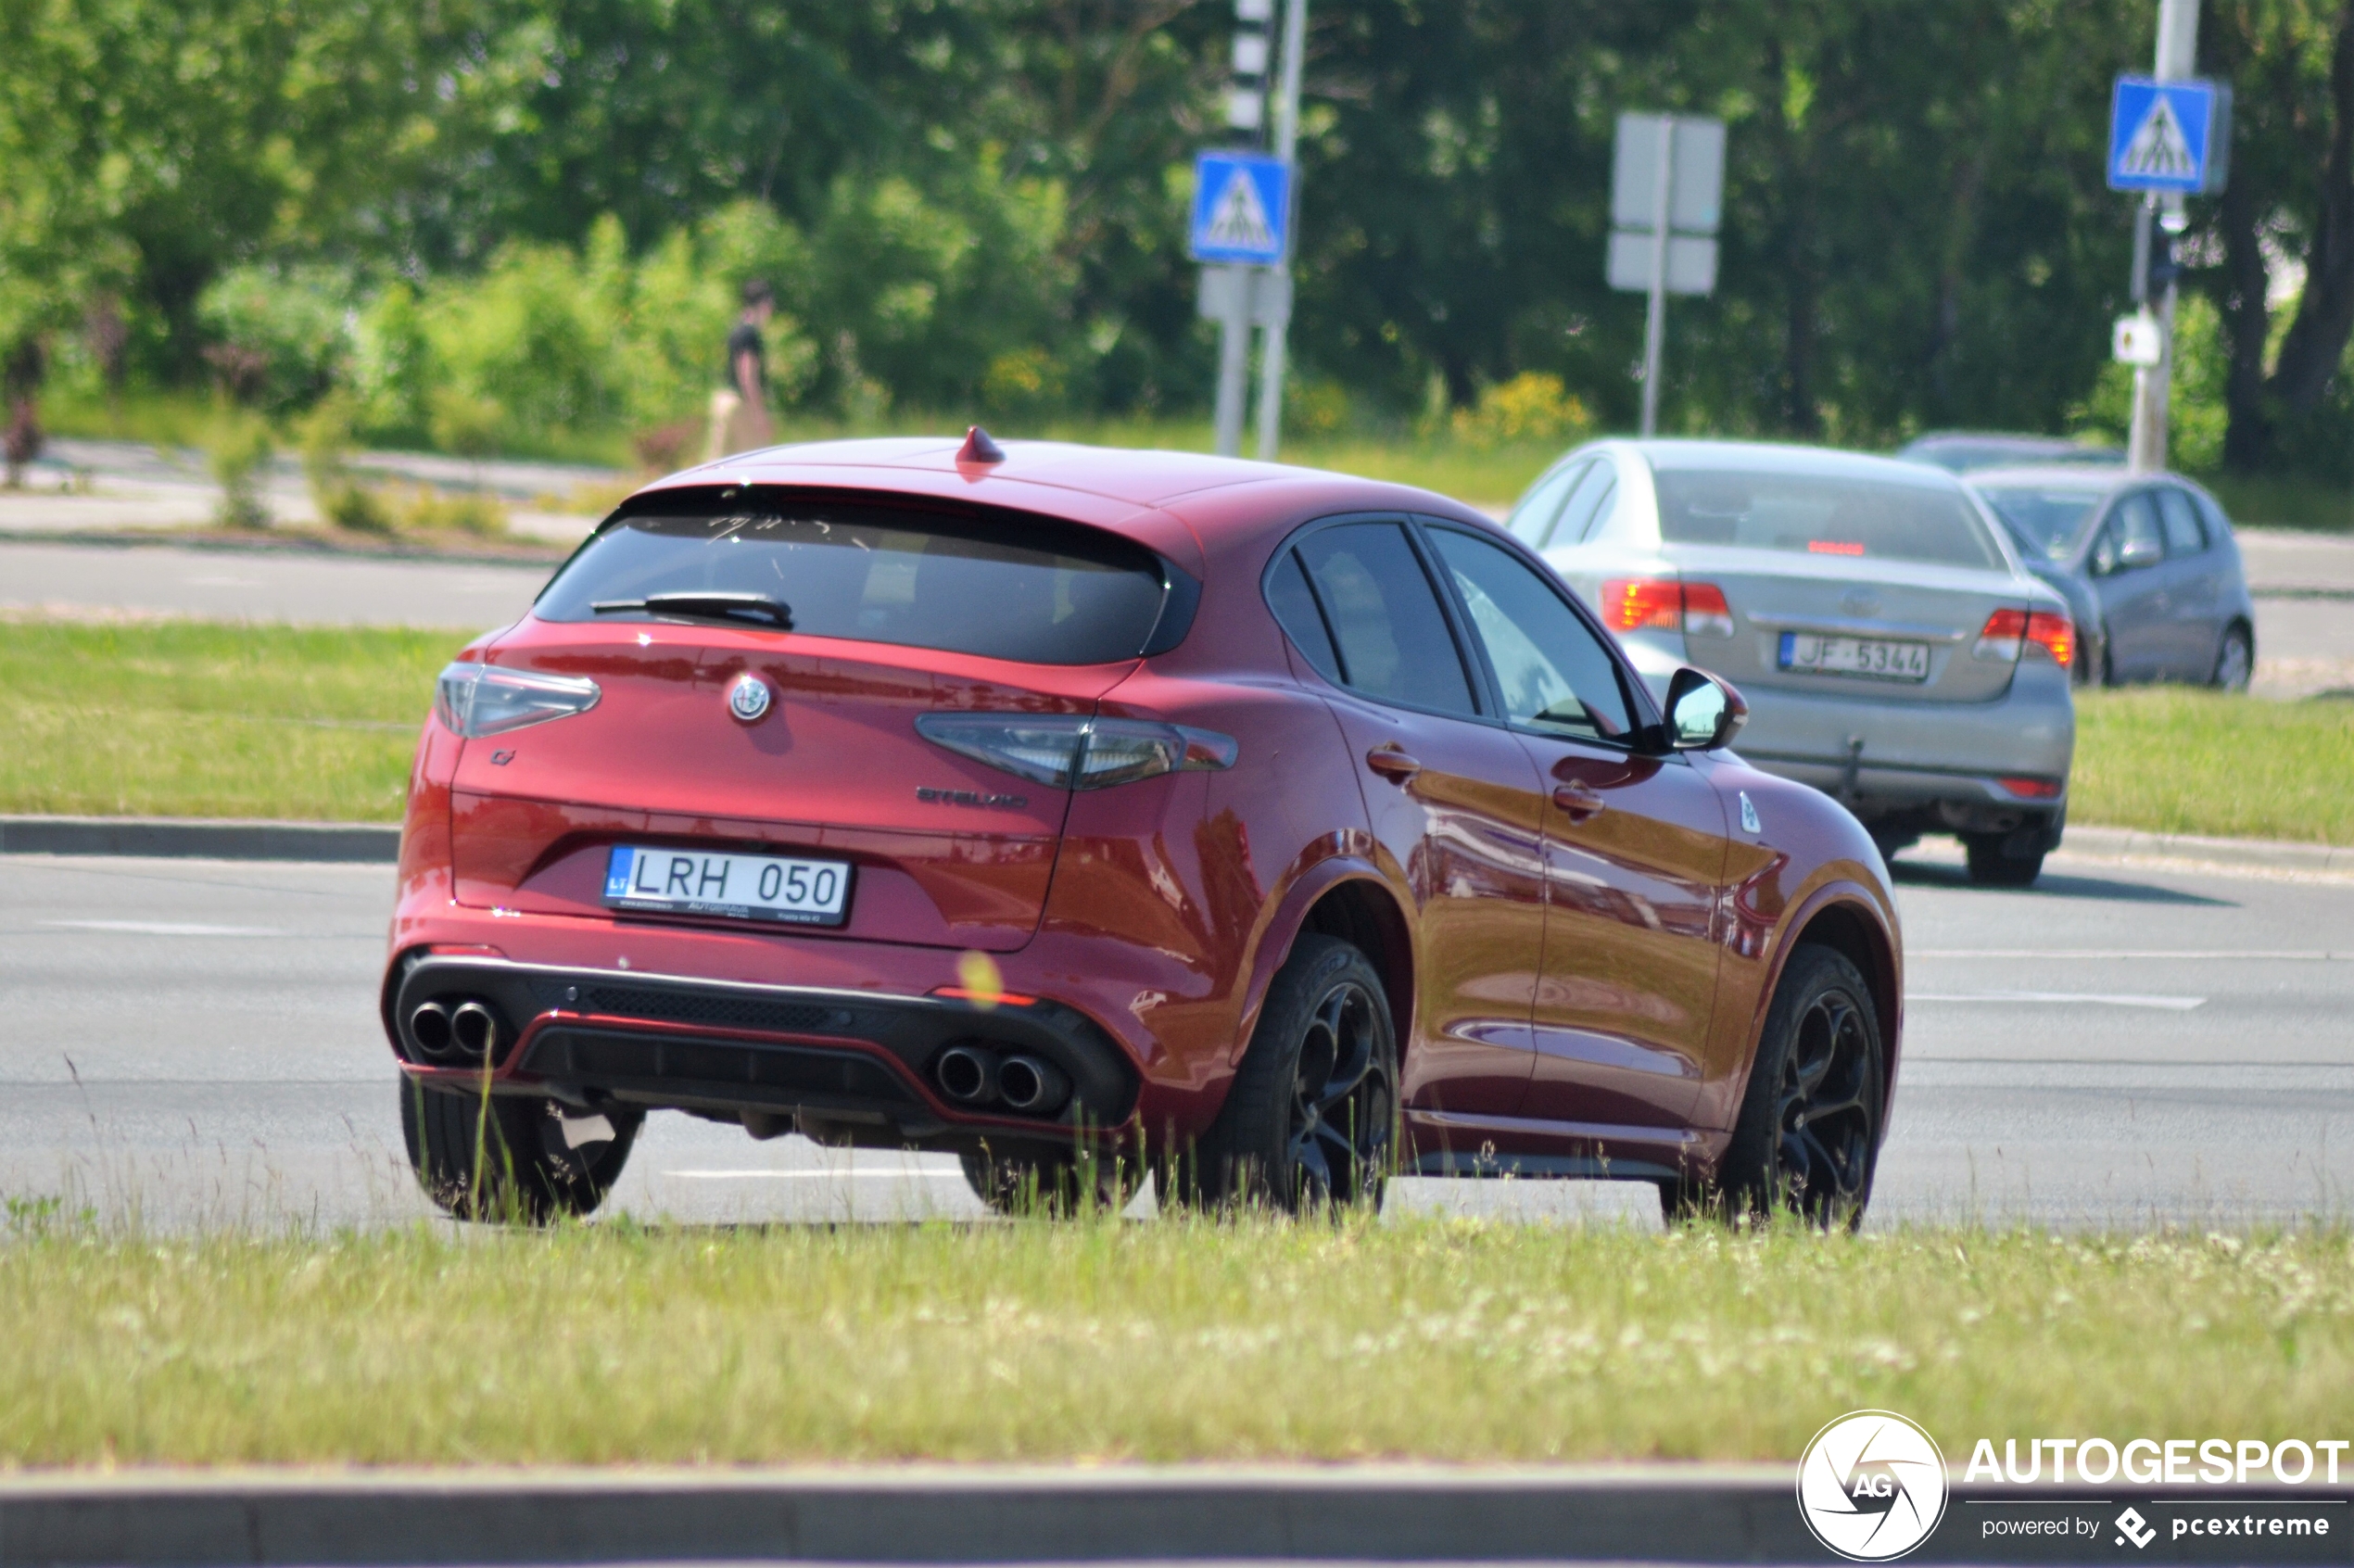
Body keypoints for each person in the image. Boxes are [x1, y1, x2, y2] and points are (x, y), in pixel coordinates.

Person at [706, 280, 775, 462]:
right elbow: (747, 376)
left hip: (723, 401)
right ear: (764, 304)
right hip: (740, 405)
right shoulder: (750, 334)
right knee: (750, 461)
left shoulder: (736, 329)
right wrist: (760, 415)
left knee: (718, 461)